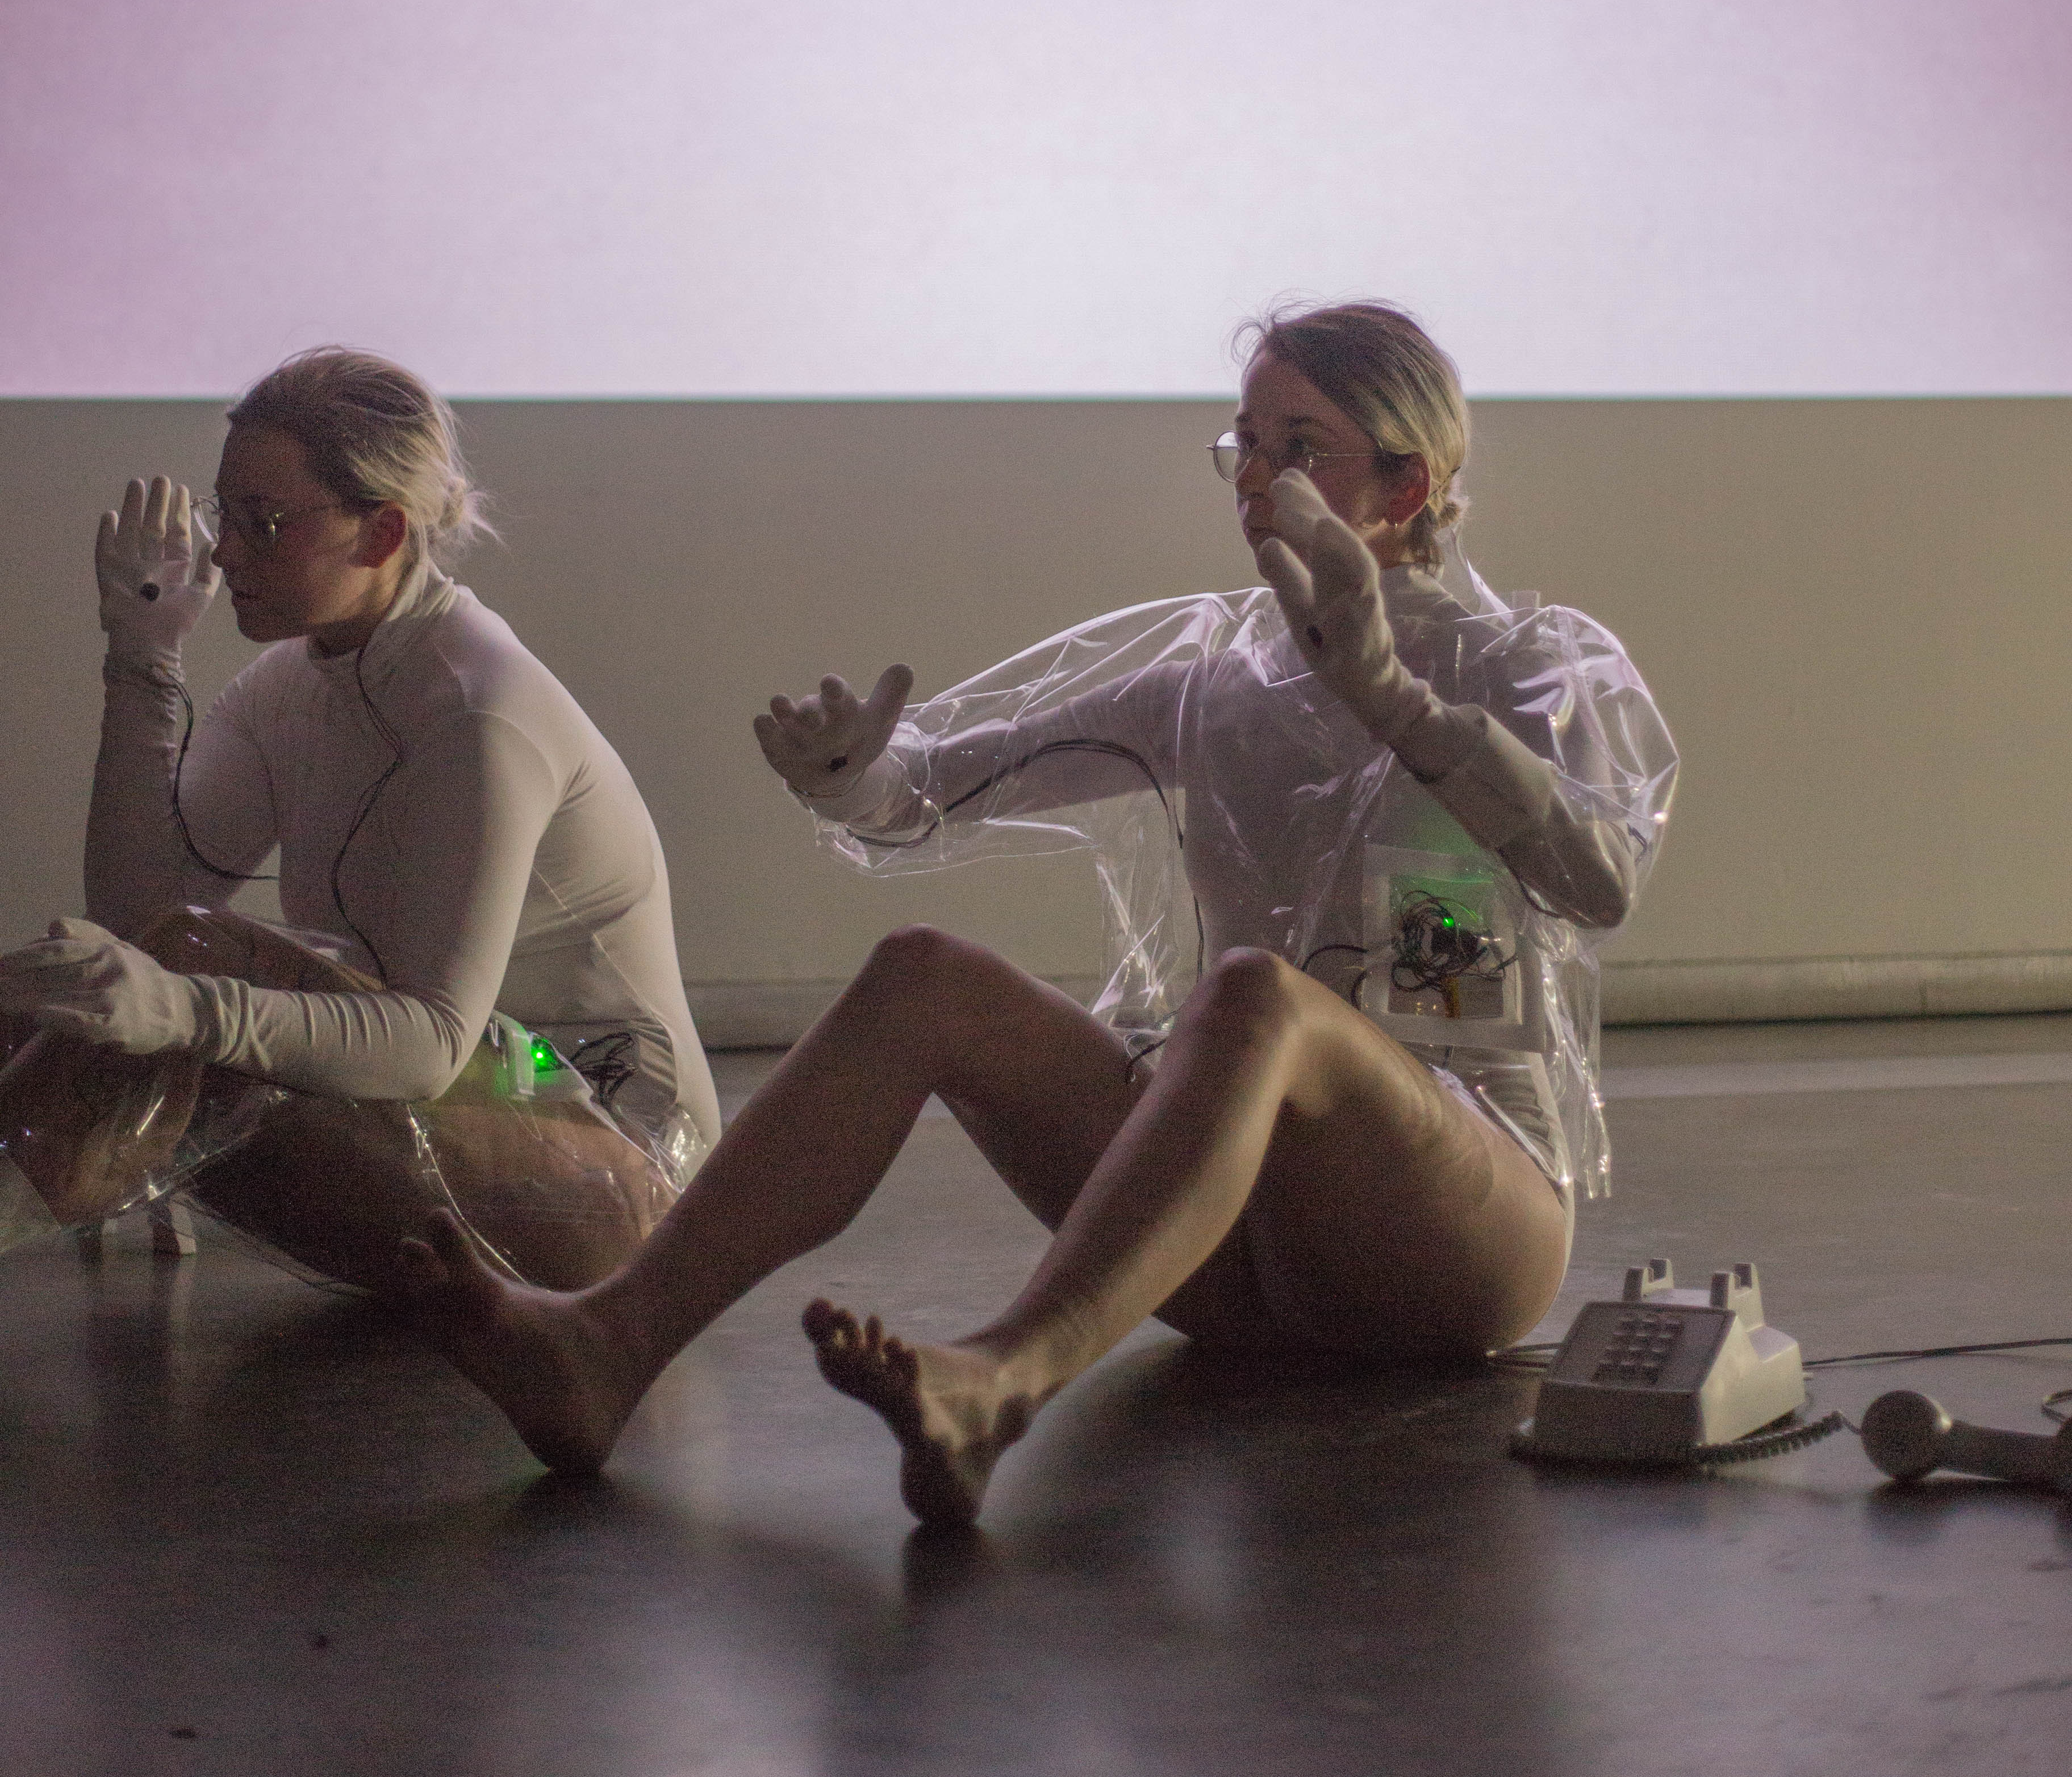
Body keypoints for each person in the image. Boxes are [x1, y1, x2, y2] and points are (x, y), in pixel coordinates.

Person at [398, 302, 1677, 1526]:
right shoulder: (1220, 679)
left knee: (1250, 998)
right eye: (1244, 441)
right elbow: (951, 783)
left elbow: (1601, 878)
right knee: (923, 976)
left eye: (1299, 447)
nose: (1252, 477)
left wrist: (1394, 698)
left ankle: (1002, 1382)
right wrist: (853, 777)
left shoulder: (1525, 664)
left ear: (1407, 486)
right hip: (1247, 1255)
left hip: (1458, 1238)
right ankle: (608, 1346)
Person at [0, 349, 718, 1294]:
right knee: (51, 997)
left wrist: (179, 1009)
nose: (224, 553)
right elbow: (138, 912)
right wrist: (143, 655)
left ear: (382, 533)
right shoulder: (291, 686)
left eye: (264, 523)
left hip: (614, 1165)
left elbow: (430, 1044)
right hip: (470, 1109)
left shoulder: (478, 713)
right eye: (225, 514)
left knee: (189, 972)